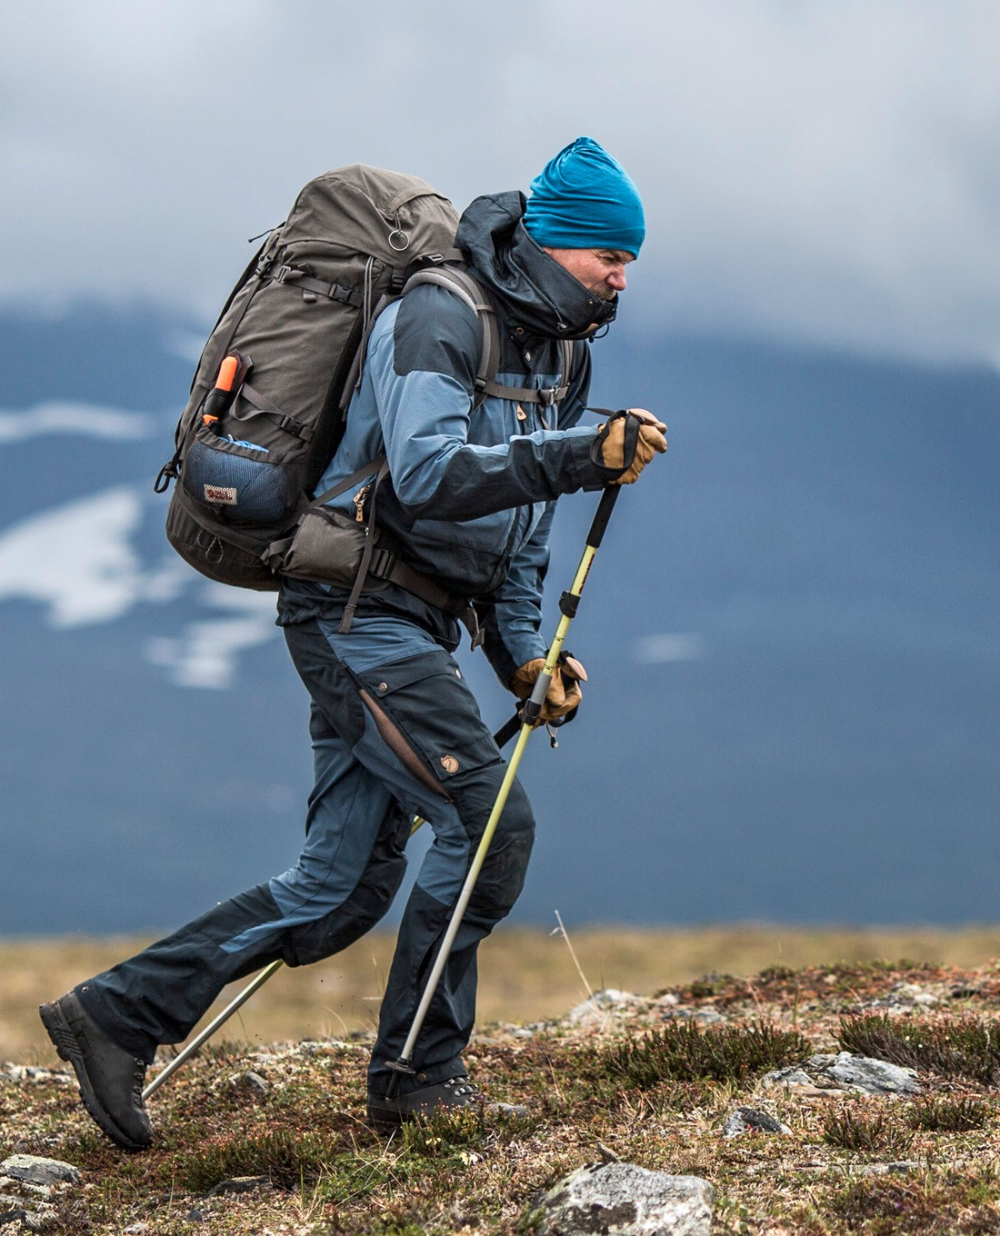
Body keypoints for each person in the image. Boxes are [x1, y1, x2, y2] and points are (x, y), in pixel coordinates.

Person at [40, 136, 667, 1149]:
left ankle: (113, 1015)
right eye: (610, 254)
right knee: (487, 825)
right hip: (352, 612)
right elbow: (424, 474)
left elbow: (517, 541)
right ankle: (417, 1084)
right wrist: (574, 456)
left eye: (629, 259)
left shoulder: (562, 348)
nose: (621, 275)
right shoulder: (439, 314)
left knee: (336, 893)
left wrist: (521, 659)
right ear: (554, 243)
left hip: (414, 623)